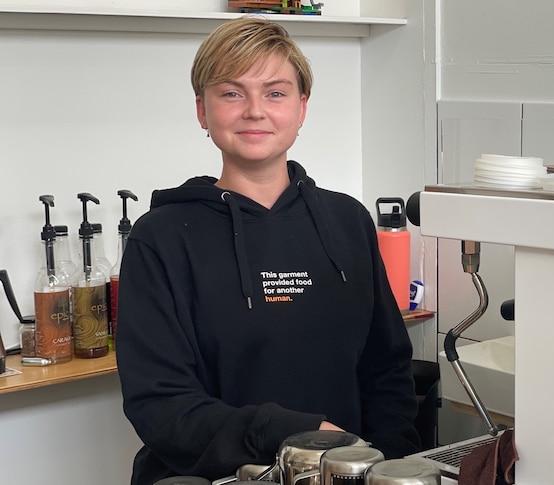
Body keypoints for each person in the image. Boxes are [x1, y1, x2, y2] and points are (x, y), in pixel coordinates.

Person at [115, 16, 420, 484]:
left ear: (302, 108)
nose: (254, 110)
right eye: (231, 93)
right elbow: (160, 405)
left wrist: (383, 465)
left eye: (275, 93)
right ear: (203, 110)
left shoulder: (348, 221)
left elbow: (387, 369)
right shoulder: (161, 237)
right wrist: (297, 435)